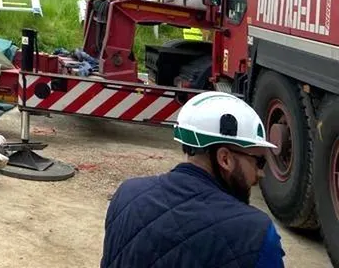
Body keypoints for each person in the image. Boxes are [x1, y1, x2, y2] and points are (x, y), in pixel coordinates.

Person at [101, 92, 285, 268]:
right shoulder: (256, 234)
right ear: (225, 159)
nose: (261, 174)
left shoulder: (126, 195)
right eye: (259, 162)